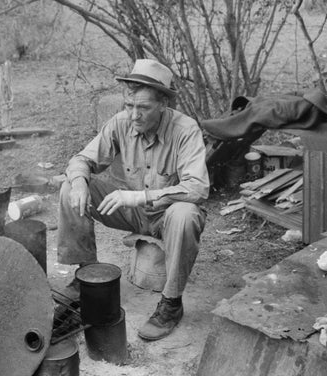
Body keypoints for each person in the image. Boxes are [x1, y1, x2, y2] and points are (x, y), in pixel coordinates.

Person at [57, 59, 210, 341]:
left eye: (143, 108)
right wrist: (79, 181)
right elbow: (82, 159)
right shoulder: (121, 122)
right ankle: (85, 276)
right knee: (71, 187)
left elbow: (198, 188)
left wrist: (138, 196)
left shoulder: (185, 130)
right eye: (129, 106)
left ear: (163, 104)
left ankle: (171, 304)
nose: (134, 115)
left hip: (168, 216)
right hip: (134, 214)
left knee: (186, 213)